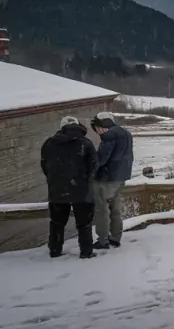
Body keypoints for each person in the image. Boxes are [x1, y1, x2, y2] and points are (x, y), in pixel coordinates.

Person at [41, 117, 98, 259]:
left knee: (57, 223)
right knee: (84, 224)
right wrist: (86, 180)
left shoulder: (49, 143)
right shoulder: (85, 143)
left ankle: (55, 250)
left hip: (57, 189)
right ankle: (86, 251)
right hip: (81, 189)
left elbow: (45, 165)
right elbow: (94, 166)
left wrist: (54, 180)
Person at [91, 111, 134, 250]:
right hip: (121, 177)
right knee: (115, 209)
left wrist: (92, 168)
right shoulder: (126, 134)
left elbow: (102, 159)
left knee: (102, 210)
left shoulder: (108, 136)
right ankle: (115, 237)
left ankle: (102, 240)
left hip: (106, 178)